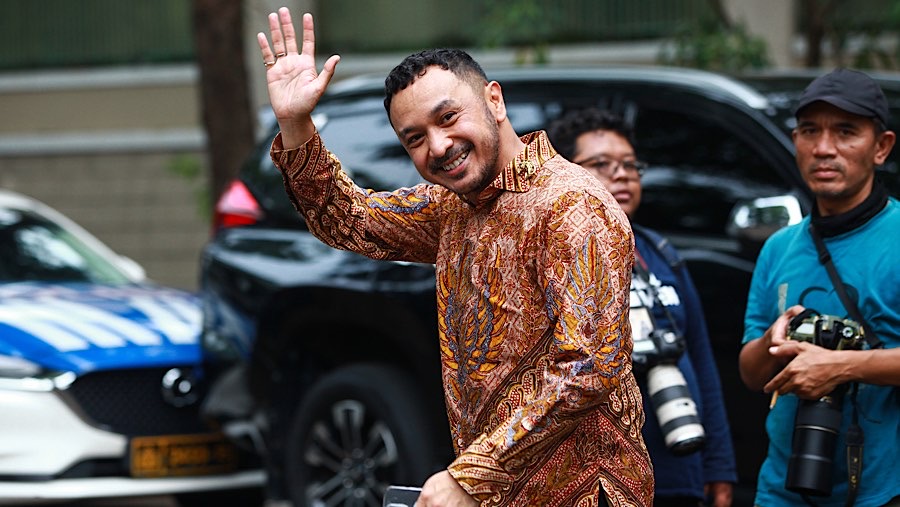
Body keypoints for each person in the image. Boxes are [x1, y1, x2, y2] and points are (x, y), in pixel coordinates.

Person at [257, 7, 653, 507]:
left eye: (447, 118)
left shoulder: (572, 204)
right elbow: (349, 219)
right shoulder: (453, 209)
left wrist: (471, 474)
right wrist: (295, 123)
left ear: (494, 100)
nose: (438, 146)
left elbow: (590, 365)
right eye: (414, 138)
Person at [547, 108, 738, 507]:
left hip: (679, 466)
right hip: (602, 477)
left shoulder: (662, 254)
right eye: (601, 164)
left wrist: (718, 466)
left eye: (631, 165)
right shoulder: (555, 253)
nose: (622, 175)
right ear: (567, 172)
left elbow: (701, 362)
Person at [739, 67, 900, 507]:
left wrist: (841, 367)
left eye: (846, 132)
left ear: (881, 147)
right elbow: (751, 374)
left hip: (881, 490)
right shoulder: (778, 247)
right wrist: (772, 342)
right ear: (796, 142)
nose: (824, 148)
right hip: (781, 489)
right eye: (810, 131)